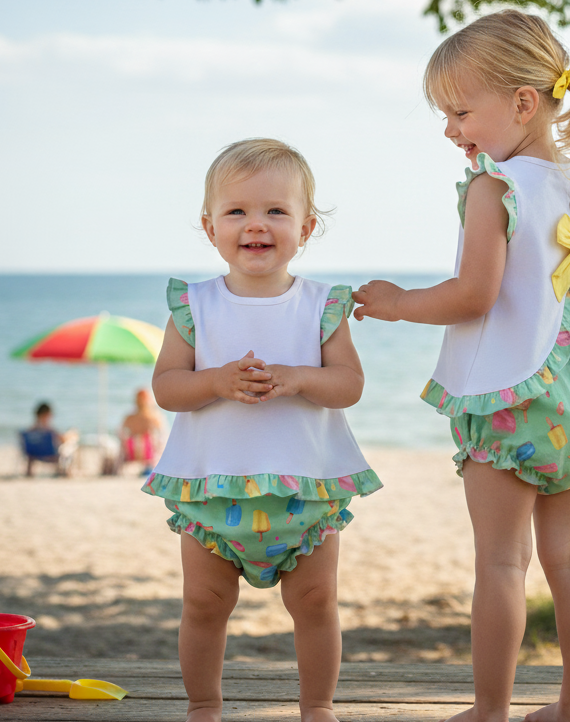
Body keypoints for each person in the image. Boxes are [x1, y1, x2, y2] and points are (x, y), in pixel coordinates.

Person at [352, 10, 570, 722]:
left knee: (501, 562)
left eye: (460, 112)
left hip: (516, 402)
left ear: (521, 103)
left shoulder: (495, 187)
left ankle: (490, 710)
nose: (450, 130)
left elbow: (473, 294)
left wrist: (397, 303)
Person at [144, 138, 381, 722]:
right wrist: (215, 381)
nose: (256, 224)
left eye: (276, 210)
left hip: (306, 491)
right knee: (203, 604)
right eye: (237, 211)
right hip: (212, 491)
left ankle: (317, 706)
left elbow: (349, 384)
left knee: (316, 602)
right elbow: (167, 387)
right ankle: (204, 705)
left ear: (306, 227)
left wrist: (301, 377)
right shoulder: (194, 306)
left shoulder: (322, 305)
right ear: (210, 227)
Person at [20, 402, 79, 477]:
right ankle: (65, 472)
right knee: (70, 446)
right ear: (46, 414)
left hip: (33, 455)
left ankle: (29, 473)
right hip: (51, 454)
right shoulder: (48, 430)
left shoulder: (30, 431)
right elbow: (61, 439)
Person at [118, 388, 165, 474]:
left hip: (133, 454)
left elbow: (120, 434)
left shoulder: (130, 418)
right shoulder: (153, 417)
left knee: (138, 440)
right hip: (148, 456)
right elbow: (162, 436)